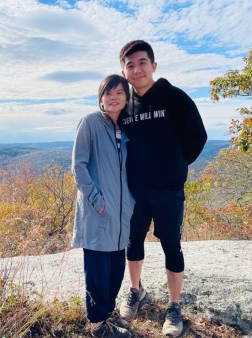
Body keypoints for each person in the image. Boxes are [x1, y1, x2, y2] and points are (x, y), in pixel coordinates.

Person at [118, 40, 207, 337]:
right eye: (130, 64)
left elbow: (197, 138)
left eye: (142, 62)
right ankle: (135, 291)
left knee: (171, 244)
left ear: (153, 66)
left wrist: (175, 167)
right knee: (133, 241)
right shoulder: (125, 105)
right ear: (123, 71)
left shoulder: (175, 98)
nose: (136, 68)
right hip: (134, 190)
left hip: (168, 191)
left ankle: (174, 306)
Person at [72, 74, 134, 338]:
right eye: (108, 93)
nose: (113, 97)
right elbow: (79, 166)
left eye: (119, 92)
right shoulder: (90, 123)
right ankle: (98, 325)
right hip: (98, 212)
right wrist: (97, 200)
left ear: (126, 98)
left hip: (120, 216)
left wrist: (130, 203)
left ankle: (107, 319)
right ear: (101, 98)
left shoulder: (125, 128)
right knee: (97, 273)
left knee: (115, 272)